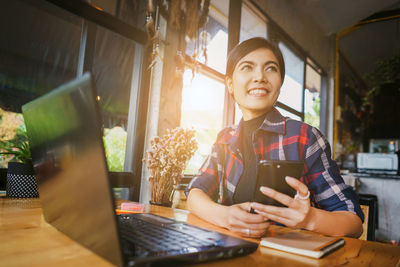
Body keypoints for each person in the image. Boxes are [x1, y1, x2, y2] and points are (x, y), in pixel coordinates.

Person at [185, 37, 364, 239]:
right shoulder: (224, 139)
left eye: (270, 68)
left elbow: (353, 222)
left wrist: (309, 219)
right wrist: (225, 216)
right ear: (230, 84)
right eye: (247, 67)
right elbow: (194, 191)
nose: (260, 77)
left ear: (279, 83)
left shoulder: (305, 138)